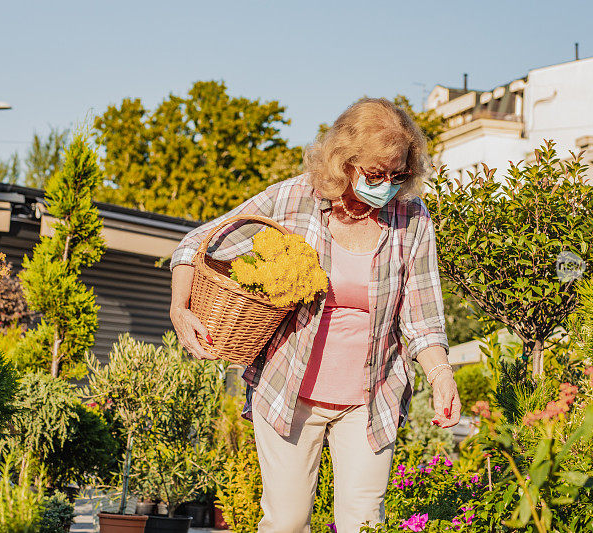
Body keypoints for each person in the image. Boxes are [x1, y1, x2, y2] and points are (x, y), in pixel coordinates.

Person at [169, 97, 460, 533]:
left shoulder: (412, 218)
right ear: (345, 161)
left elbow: (422, 316)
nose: (387, 185)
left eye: (397, 176)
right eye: (375, 174)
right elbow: (197, 243)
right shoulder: (295, 197)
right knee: (286, 522)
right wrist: (179, 307)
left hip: (370, 396)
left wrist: (441, 375)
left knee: (364, 523)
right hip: (290, 389)